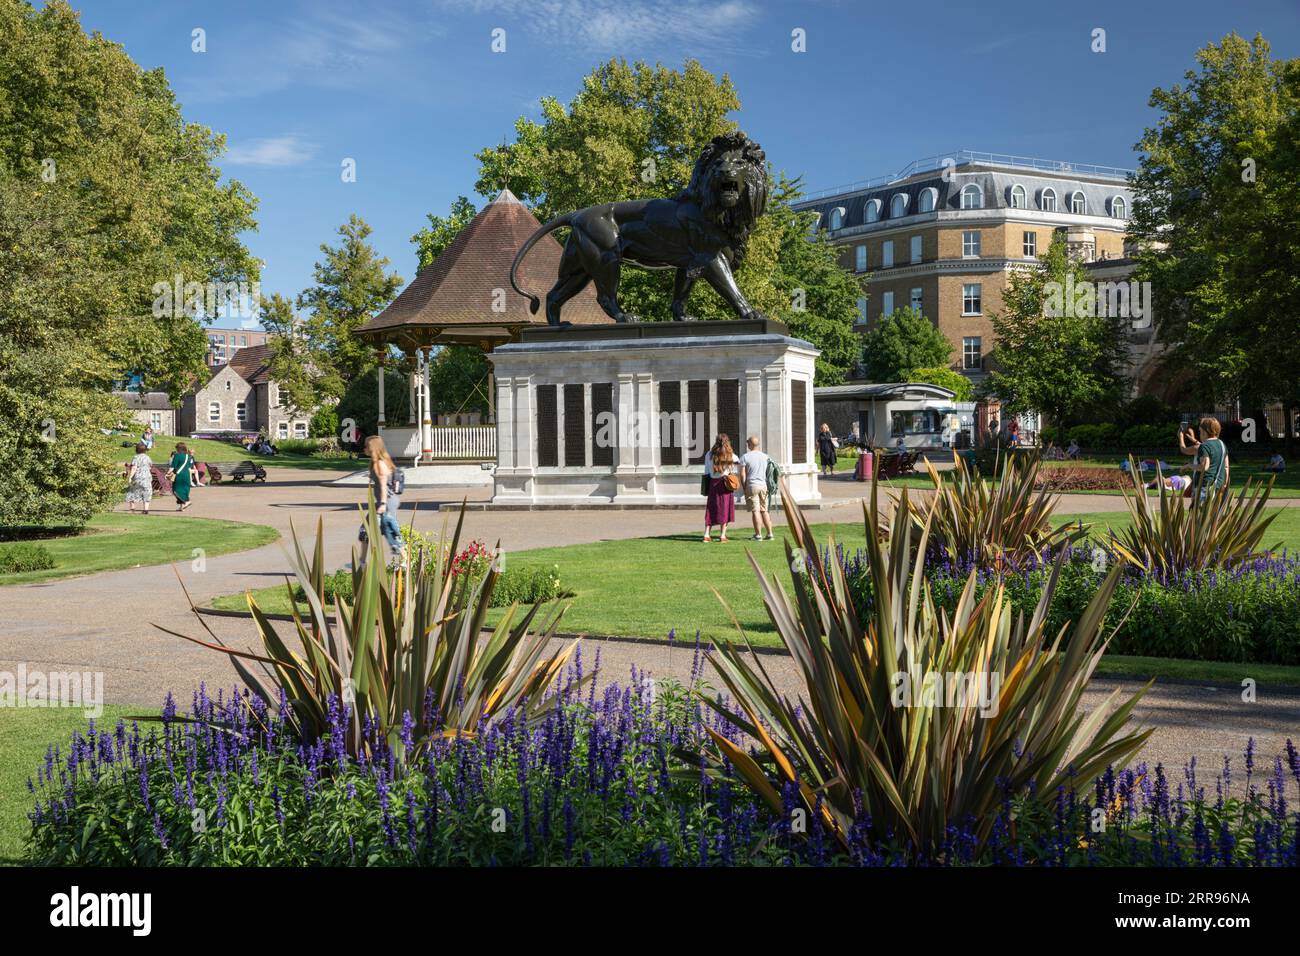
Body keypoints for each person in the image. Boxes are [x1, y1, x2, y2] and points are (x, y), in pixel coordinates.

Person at [363, 435, 406, 561]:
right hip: (385, 501)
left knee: (390, 531)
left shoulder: (379, 464)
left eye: (366, 446)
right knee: (365, 529)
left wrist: (382, 504)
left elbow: (382, 485)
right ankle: (362, 561)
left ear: (373, 448)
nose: (364, 449)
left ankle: (406, 560)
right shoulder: (378, 463)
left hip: (386, 502)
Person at [1178, 418, 1229, 501]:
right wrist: (1225, 483)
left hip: (1204, 486)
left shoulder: (1204, 446)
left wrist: (1188, 466)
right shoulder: (1222, 444)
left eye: (1200, 431)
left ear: (1205, 432)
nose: (1200, 433)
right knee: (1214, 513)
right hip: (1219, 486)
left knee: (1199, 512)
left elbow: (1204, 466)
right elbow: (1226, 467)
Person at [739, 435, 775, 541]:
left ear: (750, 444)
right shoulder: (765, 456)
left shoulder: (745, 457)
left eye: (748, 443)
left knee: (755, 510)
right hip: (763, 485)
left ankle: (758, 534)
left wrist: (744, 486)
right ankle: (770, 533)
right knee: (764, 510)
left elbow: (742, 474)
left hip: (752, 485)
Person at [703, 433, 738, 543]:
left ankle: (706, 535)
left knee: (711, 508)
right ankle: (722, 536)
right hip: (725, 484)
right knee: (725, 508)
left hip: (713, 484)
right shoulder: (730, 454)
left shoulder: (709, 454)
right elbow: (738, 461)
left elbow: (706, 472)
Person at [125, 442, 153, 514]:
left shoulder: (136, 457)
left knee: (132, 491)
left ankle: (132, 508)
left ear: (137, 449)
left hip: (138, 477)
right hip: (147, 477)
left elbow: (134, 468)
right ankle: (146, 509)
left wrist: (130, 477)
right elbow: (150, 466)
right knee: (147, 492)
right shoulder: (148, 457)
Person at [166, 442, 195, 511]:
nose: (176, 449)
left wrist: (168, 473)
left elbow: (173, 467)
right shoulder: (189, 456)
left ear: (179, 448)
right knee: (185, 490)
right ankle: (181, 507)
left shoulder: (177, 455)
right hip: (187, 475)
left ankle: (187, 501)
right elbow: (190, 466)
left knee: (176, 490)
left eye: (176, 448)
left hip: (179, 475)